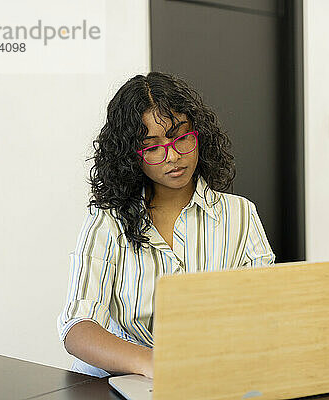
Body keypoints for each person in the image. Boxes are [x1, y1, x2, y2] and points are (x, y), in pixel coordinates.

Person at [57, 72, 275, 378]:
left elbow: (263, 312)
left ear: (200, 135)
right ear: (131, 155)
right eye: (153, 147)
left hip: (206, 376)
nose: (172, 156)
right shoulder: (108, 221)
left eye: (182, 137)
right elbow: (77, 328)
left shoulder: (239, 215)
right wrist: (151, 363)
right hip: (122, 379)